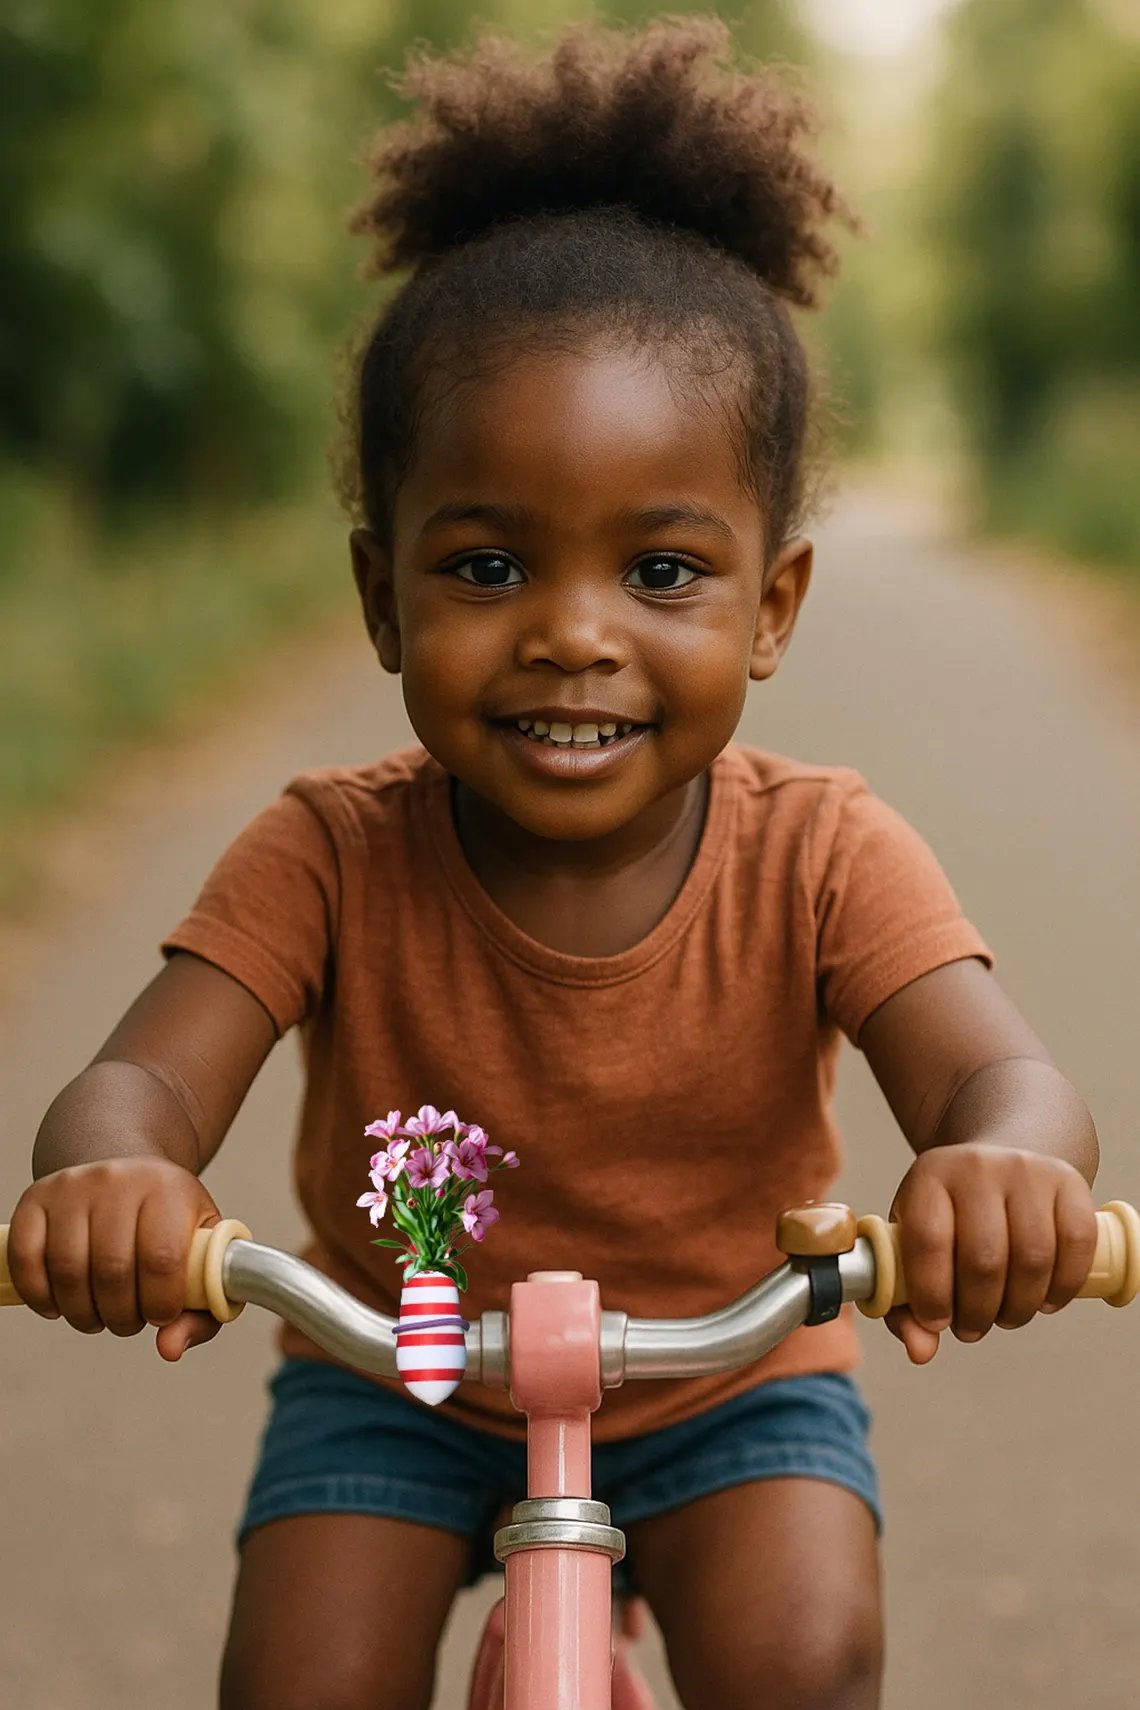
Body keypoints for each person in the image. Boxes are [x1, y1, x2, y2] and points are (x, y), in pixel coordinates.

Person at [10, 19, 1100, 1710]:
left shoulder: (820, 852)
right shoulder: (325, 853)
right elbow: (132, 1087)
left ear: (773, 609)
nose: (573, 636)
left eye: (663, 568)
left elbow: (1008, 1082)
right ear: (383, 597)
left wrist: (1006, 1171)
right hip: (405, 1370)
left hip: (734, 1379)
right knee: (298, 1679)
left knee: (807, 1648)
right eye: (491, 562)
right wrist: (118, 1181)